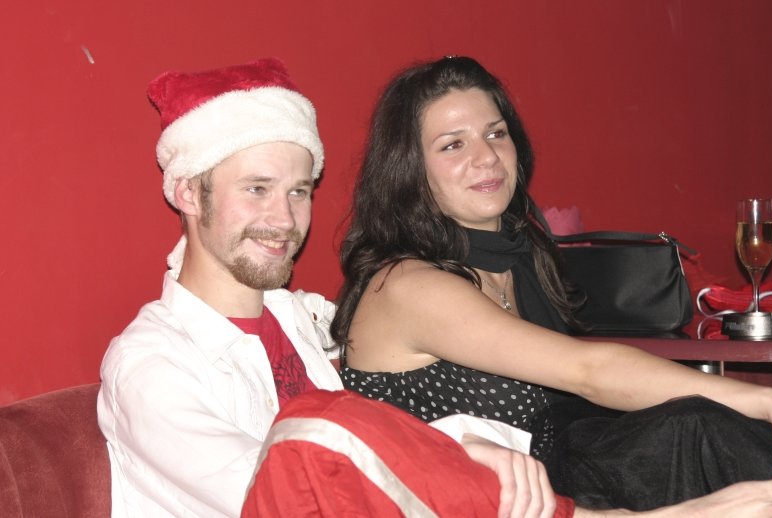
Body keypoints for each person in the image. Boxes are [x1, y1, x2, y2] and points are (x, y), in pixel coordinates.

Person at [96, 57, 573, 518]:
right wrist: (459, 443)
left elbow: (382, 429)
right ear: (187, 193)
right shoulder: (150, 364)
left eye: (298, 191)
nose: (284, 219)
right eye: (257, 188)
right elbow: (287, 490)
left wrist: (466, 441)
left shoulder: (309, 323)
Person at [332, 55, 772, 511]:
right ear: (409, 170)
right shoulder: (407, 285)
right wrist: (766, 402)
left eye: (495, 133)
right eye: (453, 145)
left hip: (552, 486)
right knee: (697, 432)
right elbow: (588, 372)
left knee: (694, 427)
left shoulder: (521, 256)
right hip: (465, 503)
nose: (487, 157)